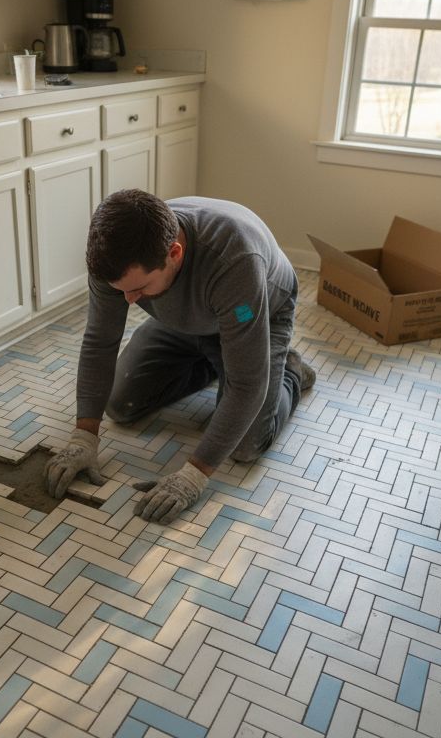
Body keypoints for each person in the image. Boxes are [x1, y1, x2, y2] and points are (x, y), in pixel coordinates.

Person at [44, 189, 315, 524]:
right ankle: (215, 360)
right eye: (121, 290)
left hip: (258, 315)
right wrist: (84, 436)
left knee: (244, 446)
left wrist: (193, 475)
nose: (129, 300)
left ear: (174, 253)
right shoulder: (112, 254)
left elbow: (247, 385)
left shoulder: (235, 262)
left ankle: (289, 370)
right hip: (185, 319)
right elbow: (100, 342)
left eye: (139, 288)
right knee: (119, 405)